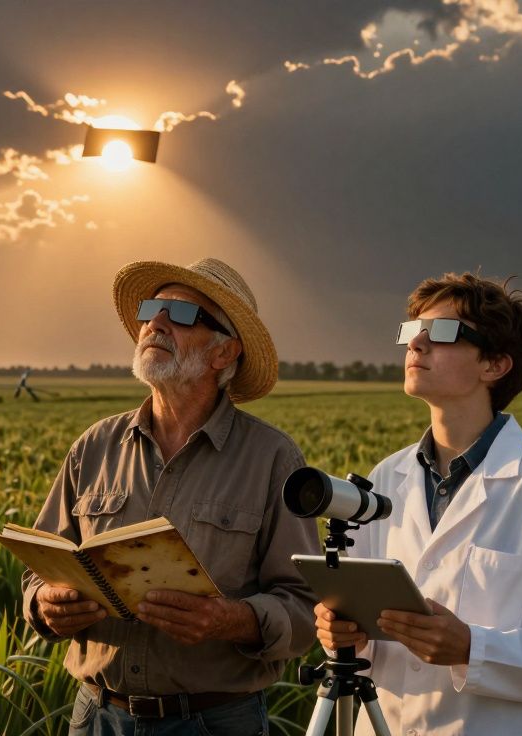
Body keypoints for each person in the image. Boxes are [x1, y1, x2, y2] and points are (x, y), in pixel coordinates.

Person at [22, 258, 320, 735]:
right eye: (151, 309)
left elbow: (305, 607)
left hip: (213, 722)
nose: (155, 323)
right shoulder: (94, 446)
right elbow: (39, 567)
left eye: (180, 314)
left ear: (224, 352)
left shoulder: (273, 459)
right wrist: (45, 603)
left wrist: (230, 620)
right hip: (97, 716)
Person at [313, 272, 522, 735]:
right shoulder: (385, 478)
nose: (416, 344)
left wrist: (473, 648)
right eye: (413, 331)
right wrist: (344, 636)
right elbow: (369, 636)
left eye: (440, 332)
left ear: (494, 364)